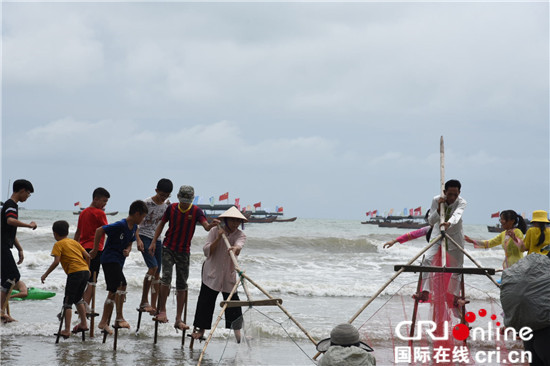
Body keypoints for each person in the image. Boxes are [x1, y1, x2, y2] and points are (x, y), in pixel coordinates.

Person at [149, 185, 219, 331]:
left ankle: (178, 319)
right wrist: (154, 241)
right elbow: (161, 224)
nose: (185, 202)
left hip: (183, 252)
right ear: (178, 197)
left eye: (188, 200)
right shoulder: (172, 208)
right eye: (183, 199)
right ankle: (162, 310)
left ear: (192, 199)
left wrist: (212, 225)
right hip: (168, 248)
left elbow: (205, 226)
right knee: (166, 278)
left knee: (182, 284)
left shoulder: (196, 211)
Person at [191, 206, 247, 342]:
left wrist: (236, 248)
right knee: (206, 301)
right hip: (211, 272)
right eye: (233, 220)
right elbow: (206, 251)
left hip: (228, 274)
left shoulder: (240, 234)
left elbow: (239, 245)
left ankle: (238, 334)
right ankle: (200, 330)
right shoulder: (215, 231)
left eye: (237, 221)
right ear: (226, 220)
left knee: (233, 303)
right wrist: (219, 238)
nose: (235, 224)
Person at [95, 200, 148, 334]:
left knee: (113, 291)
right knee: (122, 284)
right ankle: (119, 317)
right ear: (136, 214)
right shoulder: (120, 224)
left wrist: (128, 250)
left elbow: (130, 242)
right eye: (142, 217)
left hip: (119, 261)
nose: (143, 220)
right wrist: (95, 250)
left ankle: (103, 322)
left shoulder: (134, 228)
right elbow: (99, 230)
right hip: (109, 259)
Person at [415, 179, 467, 305]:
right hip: (438, 233)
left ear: (459, 193)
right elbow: (431, 221)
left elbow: (457, 215)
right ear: (444, 192)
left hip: (455, 234)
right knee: (427, 259)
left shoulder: (462, 202)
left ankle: (454, 296)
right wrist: (439, 208)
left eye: (456, 194)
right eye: (450, 194)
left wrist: (449, 223)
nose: (452, 197)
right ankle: (425, 291)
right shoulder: (436, 199)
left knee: (458, 266)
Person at [41, 221, 91, 338]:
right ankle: (84, 324)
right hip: (84, 271)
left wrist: (45, 275)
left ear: (55, 233)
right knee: (78, 299)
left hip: (74, 273)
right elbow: (88, 256)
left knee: (67, 303)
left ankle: (67, 330)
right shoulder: (74, 242)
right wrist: (87, 269)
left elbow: (56, 261)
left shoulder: (58, 244)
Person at [1, 179, 36, 322]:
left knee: (7, 278)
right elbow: (10, 221)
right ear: (22, 190)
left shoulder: (11, 205)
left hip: (4, 243)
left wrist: (20, 249)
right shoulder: (11, 205)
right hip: (2, 245)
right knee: (13, 275)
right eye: (28, 193)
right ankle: (1, 310)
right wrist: (29, 225)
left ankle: (2, 312)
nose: (27, 196)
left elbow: (9, 231)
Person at [137, 178, 173, 315]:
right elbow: (136, 224)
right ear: (156, 191)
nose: (163, 198)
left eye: (166, 196)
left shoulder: (166, 206)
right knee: (153, 267)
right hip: (144, 236)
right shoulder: (146, 204)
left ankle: (153, 305)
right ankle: (143, 301)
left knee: (158, 273)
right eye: (161, 195)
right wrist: (138, 239)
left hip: (157, 239)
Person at [74, 187, 110, 313]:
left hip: (82, 249)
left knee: (85, 277)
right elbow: (107, 229)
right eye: (104, 201)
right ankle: (85, 305)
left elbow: (78, 233)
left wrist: (75, 247)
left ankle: (82, 304)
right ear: (96, 199)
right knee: (93, 279)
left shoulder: (83, 213)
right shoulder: (100, 213)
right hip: (95, 249)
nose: (105, 204)